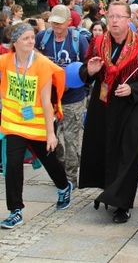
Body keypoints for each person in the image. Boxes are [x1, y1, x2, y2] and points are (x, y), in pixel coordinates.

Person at [78, 1, 138, 223]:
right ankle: (108, 192)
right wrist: (90, 71)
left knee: (127, 154)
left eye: (119, 17)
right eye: (110, 17)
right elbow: (86, 71)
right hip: (103, 105)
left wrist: (133, 88)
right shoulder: (97, 43)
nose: (114, 21)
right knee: (104, 149)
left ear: (128, 20)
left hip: (130, 108)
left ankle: (122, 204)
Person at [0, 23, 72, 229]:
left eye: (32, 37)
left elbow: (46, 101)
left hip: (39, 123)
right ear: (15, 42)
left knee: (50, 161)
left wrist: (51, 134)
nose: (31, 41)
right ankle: (15, 210)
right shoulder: (6, 61)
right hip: (14, 123)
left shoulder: (41, 64)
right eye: (26, 38)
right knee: (13, 165)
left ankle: (63, 186)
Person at [35, 5, 89, 187]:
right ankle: (60, 173)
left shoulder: (78, 40)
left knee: (71, 140)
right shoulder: (43, 38)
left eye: (59, 22)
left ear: (68, 22)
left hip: (72, 98)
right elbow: (34, 59)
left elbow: (86, 68)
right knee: (53, 139)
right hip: (49, 99)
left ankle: (71, 178)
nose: (56, 26)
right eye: (53, 22)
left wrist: (70, 82)